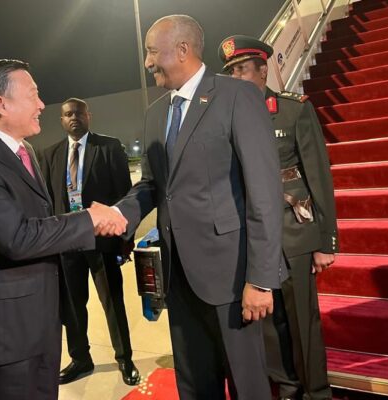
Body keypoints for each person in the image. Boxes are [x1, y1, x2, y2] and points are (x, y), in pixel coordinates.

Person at [115, 15, 286, 400]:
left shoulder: (237, 97)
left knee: (247, 386)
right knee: (193, 386)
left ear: (183, 50)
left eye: (152, 52)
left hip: (232, 279)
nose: (147, 62)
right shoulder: (156, 113)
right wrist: (118, 215)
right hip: (179, 278)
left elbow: (263, 192)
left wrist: (261, 279)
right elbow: (153, 185)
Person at [0, 59, 127, 400]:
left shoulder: (23, 151)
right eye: (33, 95)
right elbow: (18, 237)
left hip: (40, 326)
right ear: (1, 103)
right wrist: (89, 219)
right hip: (7, 339)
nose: (42, 104)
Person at [218, 35, 338, 400]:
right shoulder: (228, 117)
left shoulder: (293, 109)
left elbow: (318, 174)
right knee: (268, 324)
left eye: (241, 69)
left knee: (303, 321)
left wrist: (325, 241)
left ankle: (316, 392)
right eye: (231, 72)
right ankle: (287, 389)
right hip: (254, 239)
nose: (236, 78)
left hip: (294, 232)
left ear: (262, 69)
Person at [40, 98, 140, 386]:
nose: (74, 118)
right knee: (72, 306)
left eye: (78, 113)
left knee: (113, 302)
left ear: (88, 116)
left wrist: (126, 238)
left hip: (102, 241)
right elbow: (48, 202)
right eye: (68, 114)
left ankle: (125, 359)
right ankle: (80, 358)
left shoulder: (108, 148)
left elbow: (125, 195)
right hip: (67, 243)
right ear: (62, 120)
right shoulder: (50, 155)